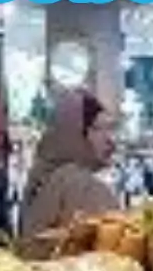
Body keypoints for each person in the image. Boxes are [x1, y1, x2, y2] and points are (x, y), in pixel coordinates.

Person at [19, 88, 120, 239]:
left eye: (109, 128)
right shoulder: (81, 185)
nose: (109, 139)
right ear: (70, 133)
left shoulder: (43, 176)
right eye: (96, 128)